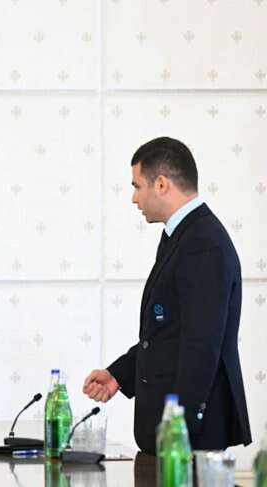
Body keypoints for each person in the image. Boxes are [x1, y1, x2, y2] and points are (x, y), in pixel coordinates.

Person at [82, 136, 251, 454]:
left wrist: (177, 431)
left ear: (161, 184)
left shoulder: (203, 243)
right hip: (175, 435)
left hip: (188, 440)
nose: (134, 198)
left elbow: (201, 346)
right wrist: (119, 375)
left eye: (137, 186)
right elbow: (167, 334)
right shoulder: (183, 236)